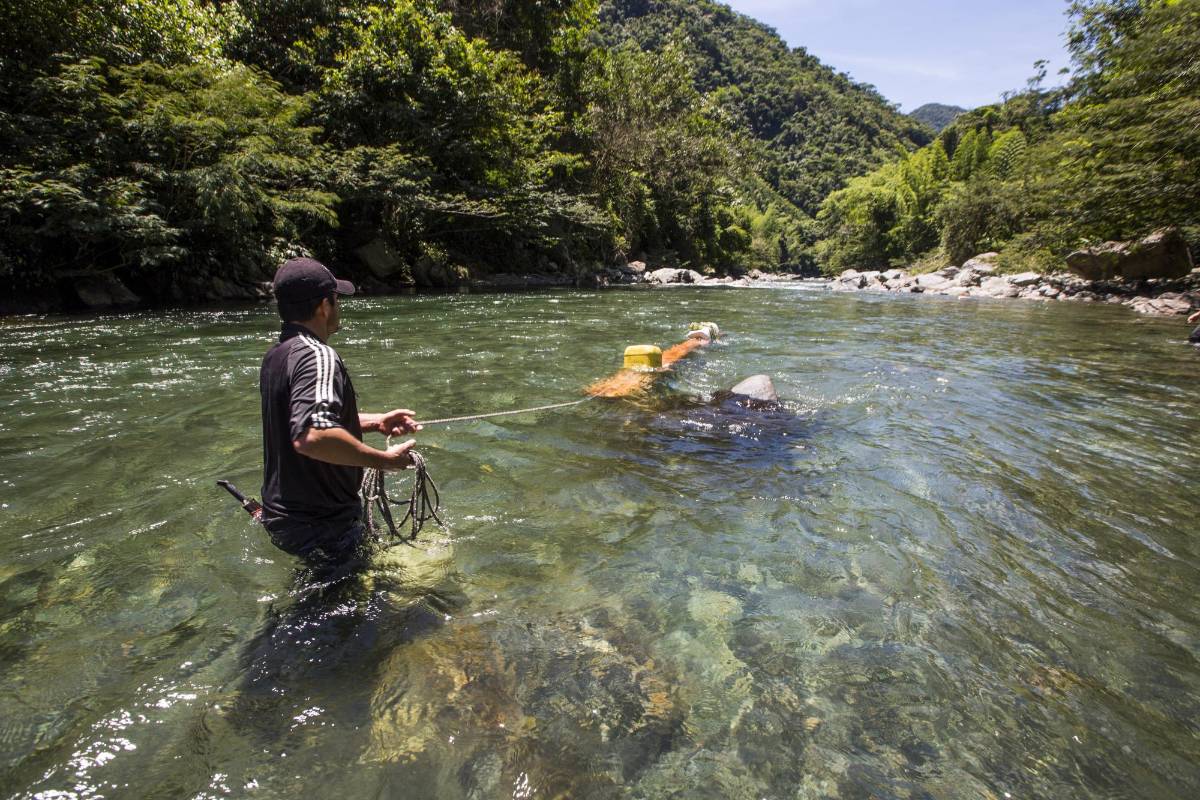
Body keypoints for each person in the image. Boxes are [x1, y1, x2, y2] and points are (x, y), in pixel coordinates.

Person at [259, 257, 421, 566]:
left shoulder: (278, 354)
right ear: (323, 306)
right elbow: (313, 435)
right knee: (352, 611)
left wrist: (376, 422)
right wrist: (385, 461)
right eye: (336, 299)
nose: (338, 306)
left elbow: (299, 423)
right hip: (324, 524)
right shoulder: (319, 356)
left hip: (284, 518)